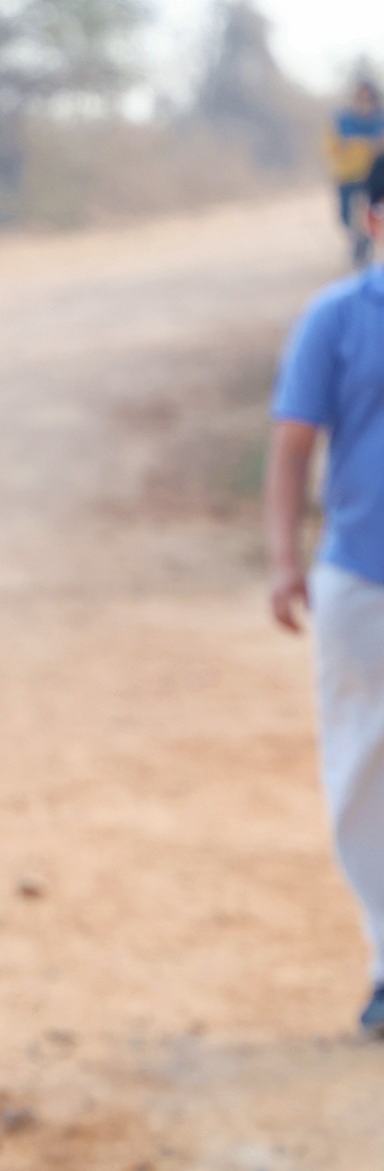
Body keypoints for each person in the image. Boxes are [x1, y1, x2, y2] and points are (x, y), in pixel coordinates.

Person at [267, 157, 384, 1038]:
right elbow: (292, 447)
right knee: (363, 776)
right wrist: (284, 560)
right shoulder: (337, 318)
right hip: (362, 578)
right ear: (373, 219)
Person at [329, 79, 383, 270]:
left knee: (368, 214)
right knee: (345, 216)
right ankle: (357, 241)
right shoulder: (343, 121)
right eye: (361, 98)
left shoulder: (379, 121)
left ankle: (364, 246)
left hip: (371, 176)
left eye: (368, 99)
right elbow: (333, 146)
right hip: (347, 175)